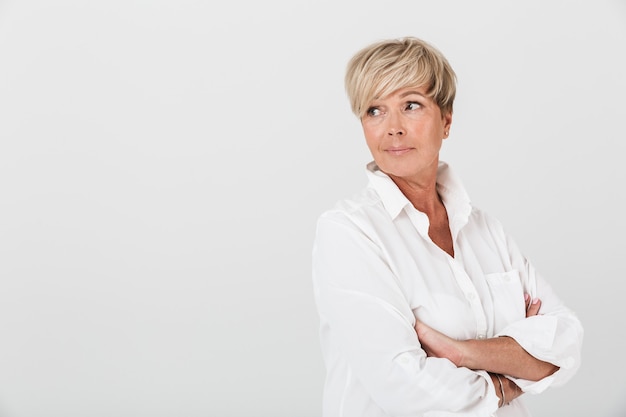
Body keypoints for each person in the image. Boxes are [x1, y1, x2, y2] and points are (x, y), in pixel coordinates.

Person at [311, 37, 583, 417]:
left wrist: (461, 353)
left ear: (447, 120)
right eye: (375, 110)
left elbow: (566, 341)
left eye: (411, 105)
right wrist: (510, 377)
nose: (393, 128)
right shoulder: (349, 233)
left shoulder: (485, 229)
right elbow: (404, 387)